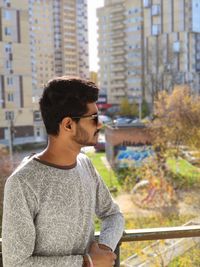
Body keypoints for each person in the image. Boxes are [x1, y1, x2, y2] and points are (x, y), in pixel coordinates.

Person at [2, 76, 124, 267]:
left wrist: (104, 250)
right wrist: (87, 262)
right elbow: (15, 263)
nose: (99, 124)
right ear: (68, 125)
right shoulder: (23, 182)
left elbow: (113, 215)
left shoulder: (86, 165)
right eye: (93, 118)